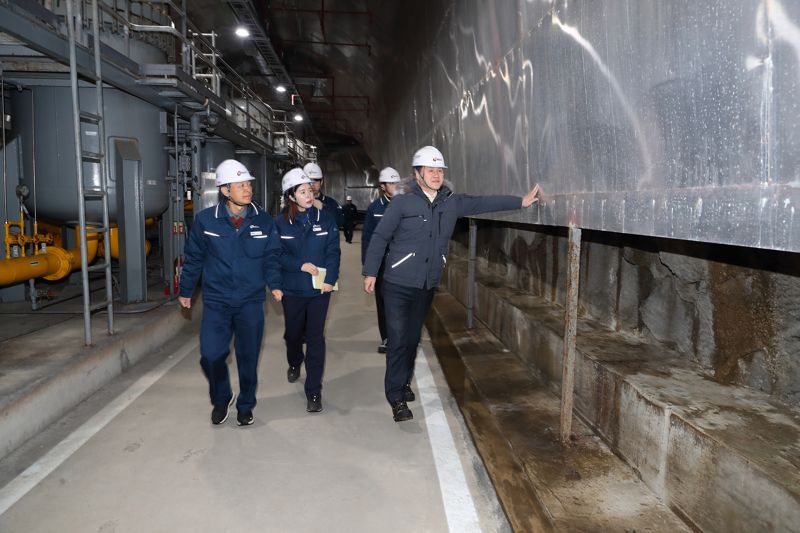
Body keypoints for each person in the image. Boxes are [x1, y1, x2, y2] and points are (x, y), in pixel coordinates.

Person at [362, 146, 541, 422]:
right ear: (418, 174)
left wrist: (521, 201)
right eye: (431, 170)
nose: (436, 174)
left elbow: (484, 203)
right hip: (397, 283)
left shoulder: (451, 202)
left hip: (426, 285)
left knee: (411, 339)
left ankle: (403, 381)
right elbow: (380, 238)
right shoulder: (402, 203)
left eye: (439, 170)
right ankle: (396, 397)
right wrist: (371, 271)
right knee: (397, 341)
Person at [179, 159, 281, 427]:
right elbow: (193, 258)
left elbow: (272, 257)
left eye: (248, 184)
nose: (247, 189)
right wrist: (186, 289)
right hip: (217, 301)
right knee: (210, 355)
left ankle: (246, 404)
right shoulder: (205, 221)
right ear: (225, 190)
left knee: (248, 359)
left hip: (250, 301)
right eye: (240, 185)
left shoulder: (264, 220)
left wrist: (276, 284)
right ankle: (222, 397)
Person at [271, 167, 341, 413]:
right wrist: (298, 265)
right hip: (292, 290)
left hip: (319, 291)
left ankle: (314, 391)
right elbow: (275, 255)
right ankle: (294, 361)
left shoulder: (326, 220)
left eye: (310, 190)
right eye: (302, 192)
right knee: (293, 335)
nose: (309, 195)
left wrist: (330, 279)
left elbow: (333, 252)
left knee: (315, 338)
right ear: (291, 196)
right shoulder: (280, 224)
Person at [361, 166, 401, 353]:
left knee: (403, 301)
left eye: (397, 183)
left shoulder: (406, 204)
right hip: (382, 263)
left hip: (402, 262)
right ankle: (386, 337)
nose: (395, 186)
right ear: (383, 186)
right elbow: (367, 238)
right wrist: (369, 268)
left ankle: (404, 336)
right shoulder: (375, 208)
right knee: (383, 301)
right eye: (392, 183)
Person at [304, 162, 344, 229]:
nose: (312, 185)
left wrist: (323, 209)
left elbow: (340, 222)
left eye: (315, 181)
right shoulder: (297, 203)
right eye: (309, 182)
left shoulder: (331, 203)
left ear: (321, 182)